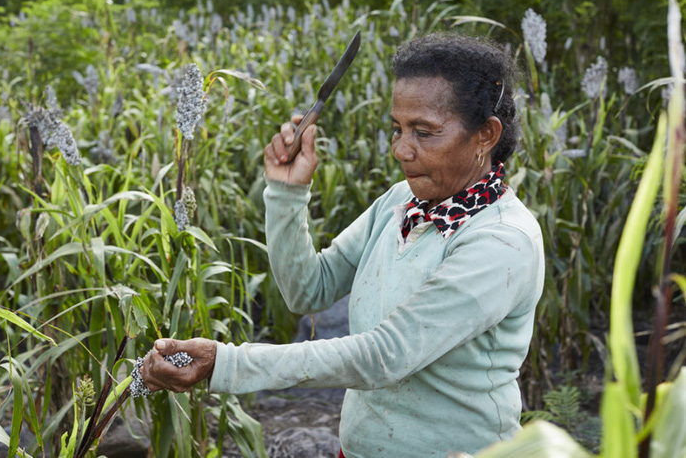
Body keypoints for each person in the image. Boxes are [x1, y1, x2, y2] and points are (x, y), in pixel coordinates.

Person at [140, 33, 545, 457]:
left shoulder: (502, 241)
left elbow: (384, 356)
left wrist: (226, 363)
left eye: (424, 132)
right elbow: (307, 290)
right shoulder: (400, 203)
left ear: (486, 134)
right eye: (397, 129)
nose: (401, 150)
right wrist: (286, 194)